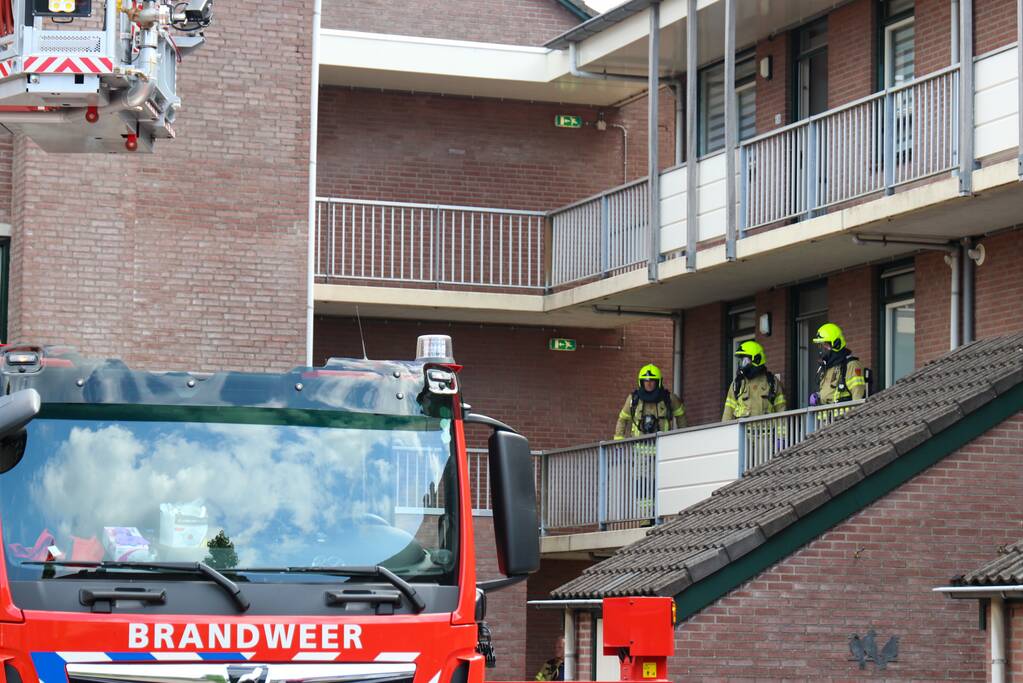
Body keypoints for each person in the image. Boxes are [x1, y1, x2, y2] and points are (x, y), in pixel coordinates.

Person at [614, 364, 686, 439]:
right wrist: (618, 441)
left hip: (663, 446)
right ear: (641, 382)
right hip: (638, 448)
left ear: (658, 382)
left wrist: (683, 438)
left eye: (652, 381)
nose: (648, 384)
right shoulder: (633, 399)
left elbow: (681, 417)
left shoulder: (669, 398)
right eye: (646, 381)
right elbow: (622, 420)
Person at [721, 340, 786, 420]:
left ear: (757, 359)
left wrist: (781, 433)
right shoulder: (737, 384)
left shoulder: (772, 382)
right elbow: (728, 415)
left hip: (767, 432)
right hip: (744, 432)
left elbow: (781, 412)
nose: (743, 364)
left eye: (746, 360)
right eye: (742, 361)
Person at [812, 322, 867, 404]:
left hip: (843, 415)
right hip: (825, 416)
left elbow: (857, 395)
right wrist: (819, 396)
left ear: (836, 344)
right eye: (821, 345)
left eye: (825, 345)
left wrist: (854, 416)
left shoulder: (851, 365)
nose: (823, 349)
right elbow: (830, 393)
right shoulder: (828, 366)